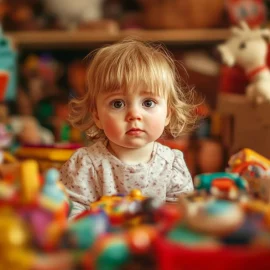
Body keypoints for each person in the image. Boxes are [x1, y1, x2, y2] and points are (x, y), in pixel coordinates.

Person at [60, 39, 198, 219]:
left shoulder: (172, 165)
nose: (134, 114)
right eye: (118, 103)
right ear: (97, 116)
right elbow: (71, 213)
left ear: (168, 114)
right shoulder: (86, 164)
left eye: (148, 103)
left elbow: (181, 216)